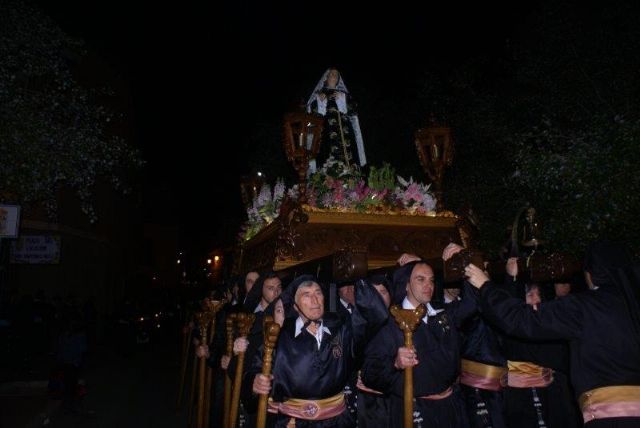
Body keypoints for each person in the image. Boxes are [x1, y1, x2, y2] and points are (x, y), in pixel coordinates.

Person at [460, 240, 640, 427]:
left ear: (591, 273)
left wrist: (485, 286)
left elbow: (522, 320)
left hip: (613, 419)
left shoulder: (585, 307)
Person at [252, 275, 387, 427]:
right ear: (295, 306)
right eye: (306, 295)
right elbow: (255, 370)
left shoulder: (341, 330)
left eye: (318, 293)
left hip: (337, 421)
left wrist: (360, 279)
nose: (315, 300)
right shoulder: (279, 337)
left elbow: (375, 316)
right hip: (293, 422)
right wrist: (255, 381)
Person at [361, 255, 477, 427]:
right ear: (406, 285)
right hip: (414, 410)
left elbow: (473, 303)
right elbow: (370, 373)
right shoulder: (391, 323)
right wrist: (395, 364)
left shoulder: (443, 314)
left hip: (451, 407)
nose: (428, 285)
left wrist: (463, 261)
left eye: (431, 280)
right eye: (420, 279)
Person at [306, 68, 366, 172]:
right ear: (326, 77)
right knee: (328, 158)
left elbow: (353, 110)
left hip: (345, 132)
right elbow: (311, 115)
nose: (334, 77)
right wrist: (319, 100)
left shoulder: (344, 94)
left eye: (336, 75)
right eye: (331, 74)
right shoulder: (318, 95)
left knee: (349, 158)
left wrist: (343, 97)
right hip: (326, 134)